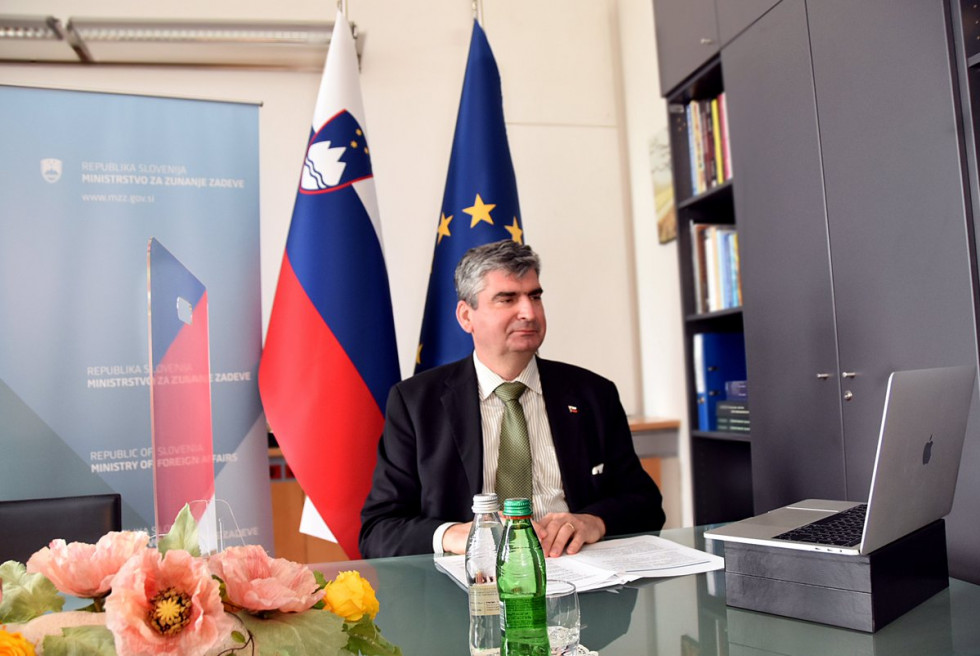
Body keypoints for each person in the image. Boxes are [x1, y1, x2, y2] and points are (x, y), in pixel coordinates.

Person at [359, 240, 666, 558]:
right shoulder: (415, 403)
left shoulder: (593, 394)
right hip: (470, 587)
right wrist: (453, 535)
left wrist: (594, 522)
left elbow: (645, 505)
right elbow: (378, 530)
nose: (529, 312)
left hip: (578, 579)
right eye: (507, 299)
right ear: (466, 317)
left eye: (535, 296)